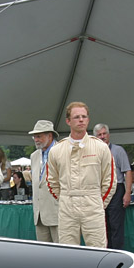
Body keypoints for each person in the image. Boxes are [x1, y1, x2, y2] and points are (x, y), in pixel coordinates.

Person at [46, 102, 115, 248]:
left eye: (84, 116)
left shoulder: (101, 147)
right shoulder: (56, 150)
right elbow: (52, 181)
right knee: (67, 252)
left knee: (98, 250)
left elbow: (109, 181)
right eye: (77, 117)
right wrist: (65, 198)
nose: (81, 120)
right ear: (68, 121)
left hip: (93, 205)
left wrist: (98, 203)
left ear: (88, 120)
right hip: (67, 206)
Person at [94, 124, 132, 249]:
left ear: (108, 135)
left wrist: (127, 193)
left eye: (104, 134)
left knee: (116, 225)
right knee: (102, 225)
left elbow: (127, 171)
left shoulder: (118, 150)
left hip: (116, 189)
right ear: (95, 137)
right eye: (99, 135)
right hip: (99, 190)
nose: (102, 136)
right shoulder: (93, 152)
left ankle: (117, 254)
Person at [28, 120, 60, 242]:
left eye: (39, 136)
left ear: (50, 136)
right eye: (34, 136)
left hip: (57, 213)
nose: (36, 139)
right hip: (39, 215)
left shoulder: (61, 152)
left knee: (61, 254)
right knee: (43, 255)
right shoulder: (34, 156)